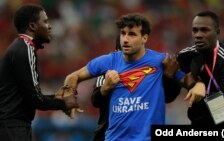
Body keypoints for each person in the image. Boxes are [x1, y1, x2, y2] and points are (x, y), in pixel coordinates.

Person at [62, 13, 205, 140]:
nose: (125, 39)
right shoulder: (109, 61)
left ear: (144, 38)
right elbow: (73, 76)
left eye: (132, 34)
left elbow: (186, 81)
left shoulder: (161, 61)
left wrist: (198, 85)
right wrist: (69, 98)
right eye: (123, 33)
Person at [0, 4, 79, 141]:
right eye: (45, 21)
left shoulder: (19, 47)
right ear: (32, 26)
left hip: (11, 125)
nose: (50, 26)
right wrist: (64, 103)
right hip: (12, 127)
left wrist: (56, 98)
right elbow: (36, 100)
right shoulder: (26, 50)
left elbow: (30, 96)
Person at [178, 10, 224, 125]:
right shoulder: (185, 56)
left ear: (217, 32)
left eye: (205, 30)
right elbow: (169, 97)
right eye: (195, 30)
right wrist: (169, 78)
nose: (198, 35)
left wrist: (199, 90)